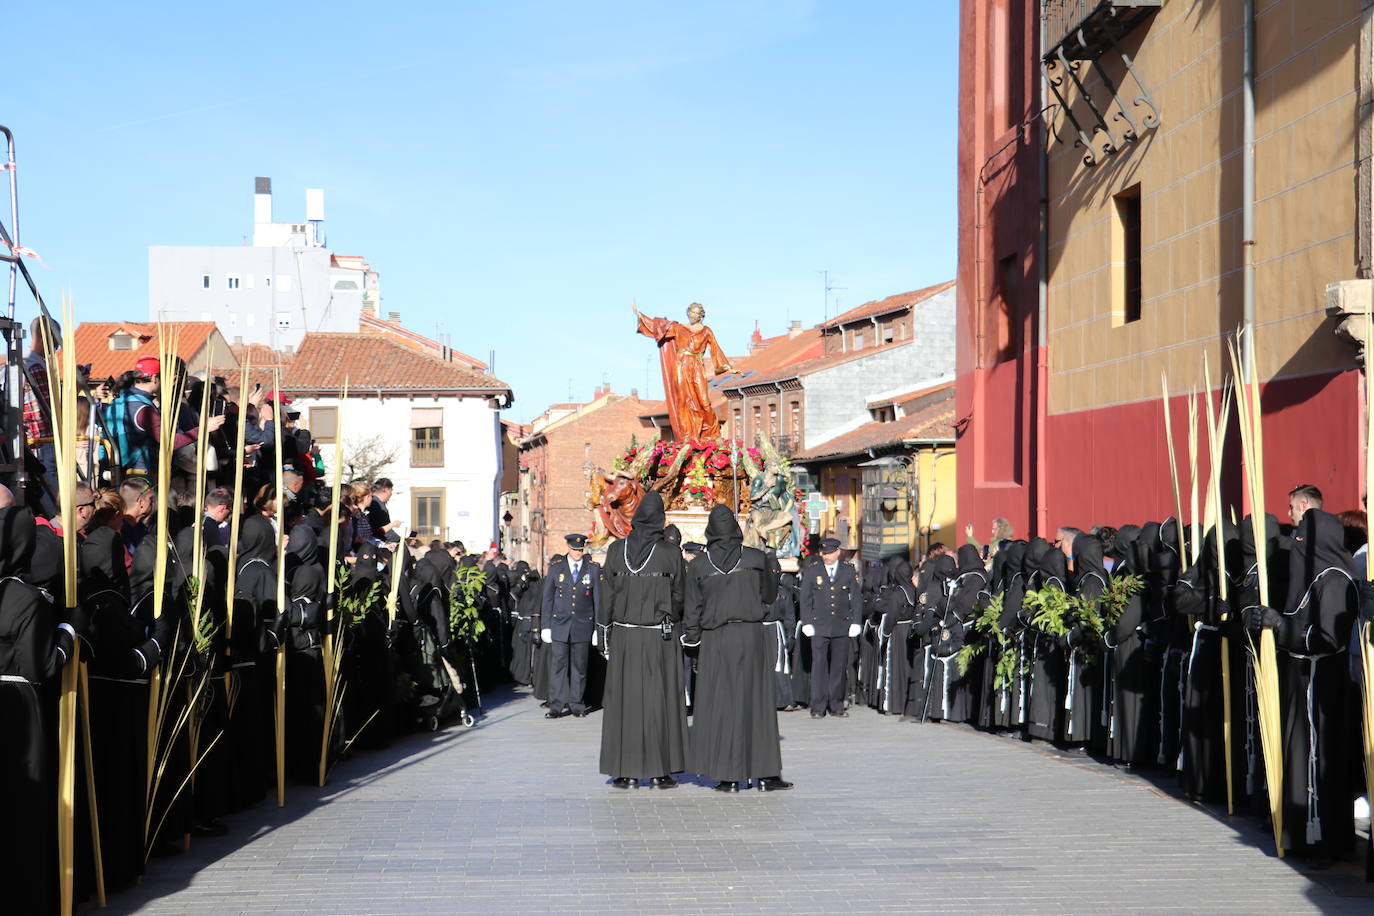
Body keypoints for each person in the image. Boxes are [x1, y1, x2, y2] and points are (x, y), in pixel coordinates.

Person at [682, 505, 790, 792]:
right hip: (751, 634)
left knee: (723, 705)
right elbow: (769, 594)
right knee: (757, 704)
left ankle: (729, 775)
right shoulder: (755, 558)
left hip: (716, 638)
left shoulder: (699, 565)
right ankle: (766, 774)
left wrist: (692, 643)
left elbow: (691, 610)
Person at [598, 492, 688, 788]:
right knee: (658, 701)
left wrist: (604, 629)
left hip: (624, 635)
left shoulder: (615, 550)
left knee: (623, 701)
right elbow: (679, 596)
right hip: (657, 637)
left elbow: (607, 595)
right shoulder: (669, 552)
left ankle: (624, 771)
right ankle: (660, 771)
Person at [799, 537, 862, 718]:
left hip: (841, 625)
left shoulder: (848, 571)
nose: (825, 556)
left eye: (829, 553)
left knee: (838, 667)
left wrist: (856, 622)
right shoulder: (812, 571)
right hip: (819, 625)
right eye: (823, 553)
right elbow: (806, 599)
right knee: (819, 666)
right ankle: (818, 707)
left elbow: (856, 598)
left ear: (838, 552)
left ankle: (836, 705)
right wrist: (807, 622)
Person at [540, 534, 600, 718]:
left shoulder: (593, 569)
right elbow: (547, 598)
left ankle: (577, 704)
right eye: (575, 549)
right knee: (558, 666)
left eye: (581, 550)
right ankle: (556, 706)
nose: (578, 553)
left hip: (582, 625)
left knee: (579, 667)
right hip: (559, 625)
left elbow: (598, 600)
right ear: (568, 547)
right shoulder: (556, 568)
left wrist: (598, 628)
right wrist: (545, 625)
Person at [365, 478, 401, 543]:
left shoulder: (374, 503)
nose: (391, 494)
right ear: (386, 490)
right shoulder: (378, 506)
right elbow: (383, 530)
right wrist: (400, 540)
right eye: (391, 491)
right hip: (379, 543)